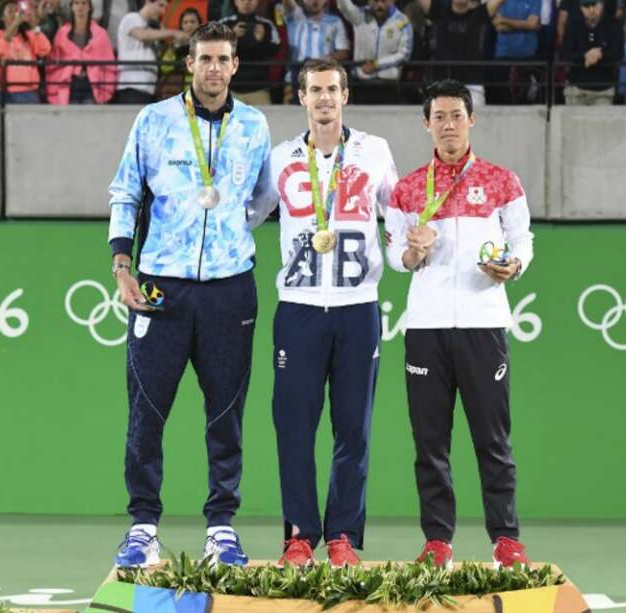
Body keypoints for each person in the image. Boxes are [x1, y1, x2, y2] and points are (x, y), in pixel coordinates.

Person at [107, 21, 275, 569]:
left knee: (226, 413)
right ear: (189, 63)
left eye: (223, 59)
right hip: (161, 286)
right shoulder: (154, 120)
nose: (213, 68)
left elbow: (264, 198)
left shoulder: (253, 125)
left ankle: (221, 527)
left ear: (235, 66)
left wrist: (231, 234)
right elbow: (126, 193)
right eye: (204, 58)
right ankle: (143, 526)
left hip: (230, 290)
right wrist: (122, 263)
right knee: (147, 410)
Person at [385, 79, 533, 570]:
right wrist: (411, 253)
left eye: (456, 116)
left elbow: (522, 240)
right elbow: (396, 256)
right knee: (430, 442)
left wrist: (513, 265)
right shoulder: (408, 188)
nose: (448, 125)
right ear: (426, 124)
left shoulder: (501, 181)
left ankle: (506, 539)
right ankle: (437, 541)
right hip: (426, 328)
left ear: (471, 120)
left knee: (493, 440)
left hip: (483, 324)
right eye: (439, 117)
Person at [266, 58, 397, 567]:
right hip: (298, 309)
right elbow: (248, 213)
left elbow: (397, 213)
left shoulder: (374, 150)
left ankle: (342, 534)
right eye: (315, 90)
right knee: (294, 429)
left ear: (346, 95)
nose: (324, 98)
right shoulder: (280, 157)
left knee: (353, 429)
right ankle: (300, 534)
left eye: (332, 89)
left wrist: (409, 249)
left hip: (357, 307)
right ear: (301, 97)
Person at [418, 0, 505, 110]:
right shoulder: (439, 12)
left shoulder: (480, 14)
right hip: (441, 83)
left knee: (476, 120)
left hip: (472, 84)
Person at [337, 0, 413, 103]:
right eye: (375, 1)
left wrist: (377, 65)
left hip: (389, 85)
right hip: (361, 85)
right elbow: (343, 4)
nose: (379, 5)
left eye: (383, 1)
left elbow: (404, 54)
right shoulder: (359, 16)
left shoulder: (403, 21)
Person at [114, 0, 187, 104]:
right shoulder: (131, 18)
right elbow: (142, 35)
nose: (162, 11)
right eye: (160, 5)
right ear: (148, 2)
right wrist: (173, 33)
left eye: (165, 8)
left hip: (149, 89)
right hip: (131, 86)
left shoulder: (153, 28)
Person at [46, 0, 117, 104]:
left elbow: (108, 62)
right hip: (69, 84)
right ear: (71, 7)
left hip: (92, 84)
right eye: (76, 3)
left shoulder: (101, 34)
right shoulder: (62, 34)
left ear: (89, 8)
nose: (80, 7)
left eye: (84, 3)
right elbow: (54, 61)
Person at [0, 0, 51, 103]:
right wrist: (14, 25)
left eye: (17, 11)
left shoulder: (30, 35)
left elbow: (45, 49)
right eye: (10, 11)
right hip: (2, 91)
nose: (15, 14)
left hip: (27, 91)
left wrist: (35, 27)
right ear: (3, 17)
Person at [561, 0, 623, 104]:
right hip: (576, 89)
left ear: (602, 4)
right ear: (581, 7)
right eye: (586, 6)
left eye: (594, 4)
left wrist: (600, 54)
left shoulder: (614, 24)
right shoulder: (573, 24)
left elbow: (618, 54)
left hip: (604, 91)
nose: (591, 9)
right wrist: (586, 55)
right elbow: (565, 54)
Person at [219, 0, 281, 104]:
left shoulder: (267, 24)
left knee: (265, 115)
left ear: (257, 2)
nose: (247, 2)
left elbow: (275, 52)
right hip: (230, 89)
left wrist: (262, 40)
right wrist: (231, 37)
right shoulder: (224, 24)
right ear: (235, 2)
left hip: (259, 89)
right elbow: (215, 52)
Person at [489, 0, 542, 104]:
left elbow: (532, 23)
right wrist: (527, 25)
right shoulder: (500, 1)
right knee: (500, 96)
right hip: (503, 53)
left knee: (527, 97)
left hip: (528, 54)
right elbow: (498, 25)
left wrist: (504, 20)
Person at [158, 8, 202, 98]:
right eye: (185, 22)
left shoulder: (206, 44)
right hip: (175, 93)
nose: (189, 25)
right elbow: (165, 68)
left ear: (199, 24)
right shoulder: (174, 44)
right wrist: (174, 47)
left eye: (193, 22)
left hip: (199, 93)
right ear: (181, 25)